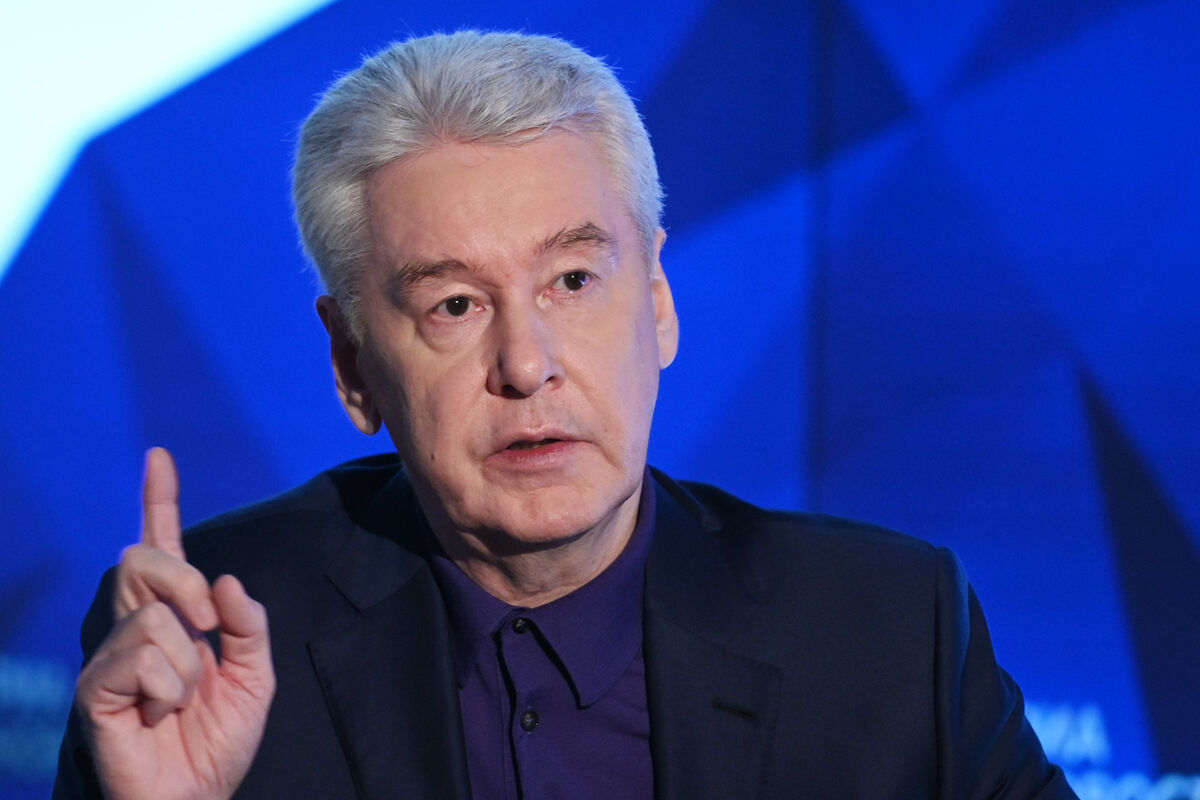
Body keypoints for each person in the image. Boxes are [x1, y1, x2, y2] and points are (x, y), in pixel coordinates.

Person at [53, 30, 1078, 800]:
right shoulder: (203, 645)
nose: (526, 363)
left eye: (573, 281)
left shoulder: (890, 633)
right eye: (455, 305)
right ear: (352, 363)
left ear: (659, 302)